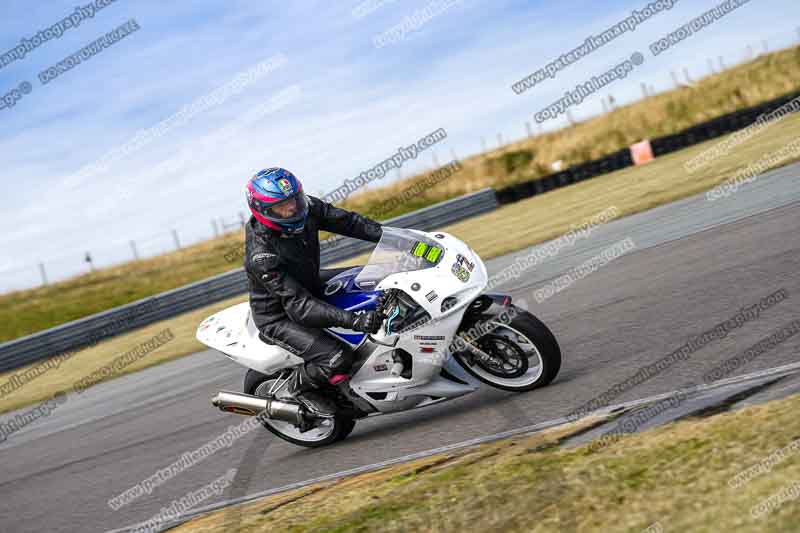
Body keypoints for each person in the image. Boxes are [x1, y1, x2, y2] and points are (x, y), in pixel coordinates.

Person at [243, 167, 384, 417]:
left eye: (294, 199)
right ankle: (297, 389)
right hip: (280, 315)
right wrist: (355, 321)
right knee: (337, 357)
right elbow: (300, 306)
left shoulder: (307, 208)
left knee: (376, 278)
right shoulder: (262, 255)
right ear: (263, 211)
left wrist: (391, 236)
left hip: (309, 283)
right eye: (282, 207)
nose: (292, 209)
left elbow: (349, 222)